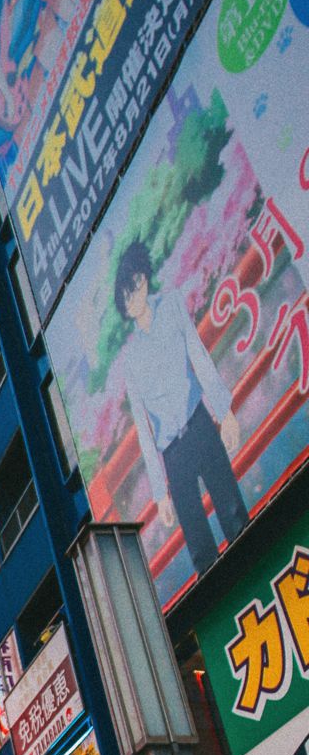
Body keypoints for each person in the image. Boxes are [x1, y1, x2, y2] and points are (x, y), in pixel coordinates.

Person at [112, 238, 248, 578]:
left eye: (135, 286)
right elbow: (143, 430)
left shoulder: (172, 304)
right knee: (200, 549)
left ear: (144, 278)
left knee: (234, 515)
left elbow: (199, 358)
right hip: (172, 451)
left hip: (199, 422)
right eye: (126, 297)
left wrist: (225, 411)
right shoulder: (130, 359)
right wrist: (160, 494)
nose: (133, 298)